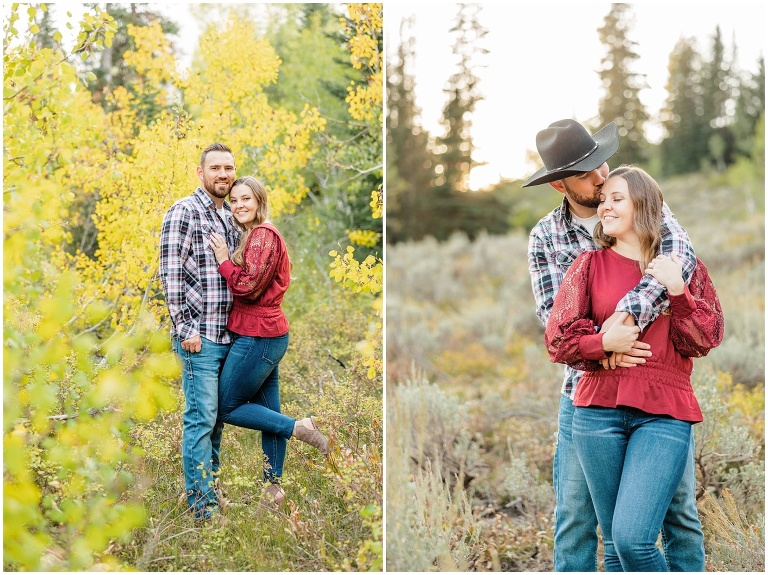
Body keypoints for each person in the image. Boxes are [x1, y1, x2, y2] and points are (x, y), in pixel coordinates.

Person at [523, 119, 704, 571]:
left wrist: (626, 318)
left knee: (677, 513)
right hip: (586, 394)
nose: (601, 177)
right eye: (585, 174)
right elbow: (555, 320)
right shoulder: (547, 237)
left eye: (599, 163)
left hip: (655, 390)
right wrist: (604, 345)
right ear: (559, 185)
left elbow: (679, 260)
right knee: (575, 516)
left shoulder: (643, 205)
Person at [208, 176, 329, 509]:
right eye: (234, 200)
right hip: (268, 335)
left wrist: (223, 261)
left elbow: (248, 287)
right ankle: (273, 492)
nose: (239, 205)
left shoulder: (262, 235)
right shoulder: (256, 235)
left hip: (258, 336)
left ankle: (301, 427)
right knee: (268, 413)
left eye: (246, 199)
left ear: (259, 202)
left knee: (225, 406)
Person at [159, 143, 240, 522]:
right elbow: (170, 273)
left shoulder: (229, 218)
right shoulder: (184, 211)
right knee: (200, 419)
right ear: (200, 172)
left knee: (216, 421)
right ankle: (202, 509)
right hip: (199, 337)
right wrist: (185, 327)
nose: (223, 175)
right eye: (215, 168)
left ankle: (209, 491)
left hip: (228, 337)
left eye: (228, 168)